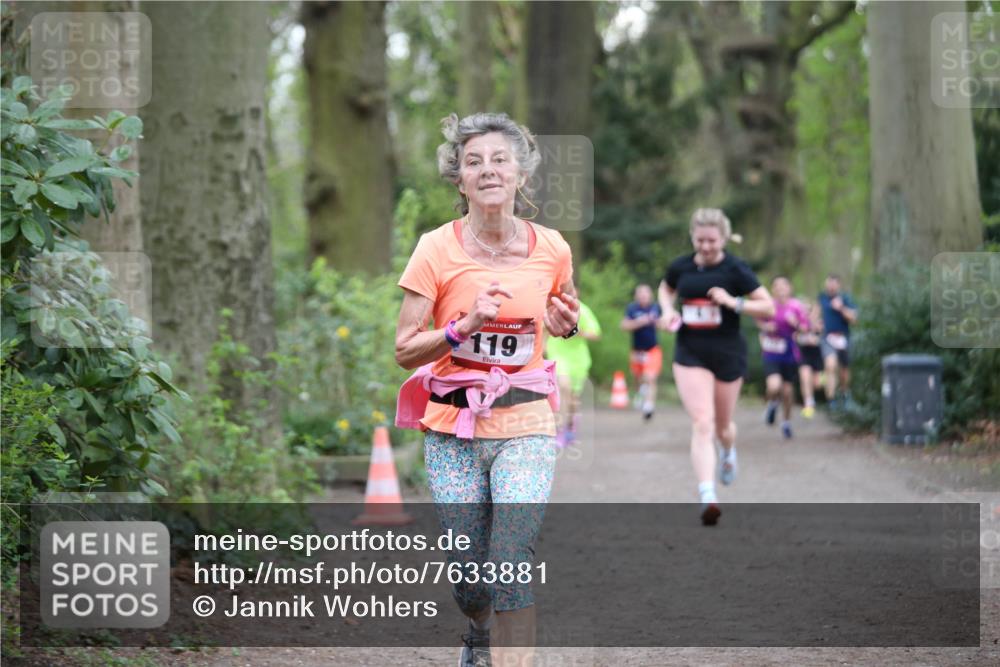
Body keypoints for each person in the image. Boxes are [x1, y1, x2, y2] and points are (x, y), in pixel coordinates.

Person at [394, 112, 579, 667]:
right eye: (473, 162)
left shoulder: (552, 248)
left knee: (510, 558)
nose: (488, 169)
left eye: (500, 159)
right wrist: (460, 329)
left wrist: (563, 321)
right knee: (470, 578)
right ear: (459, 180)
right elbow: (405, 348)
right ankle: (477, 631)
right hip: (452, 430)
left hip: (525, 423)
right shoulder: (434, 249)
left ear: (521, 174)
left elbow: (564, 315)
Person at [657, 208, 773, 526]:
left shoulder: (736, 269)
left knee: (723, 427)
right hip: (690, 352)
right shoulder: (680, 266)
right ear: (693, 237)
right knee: (703, 423)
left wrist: (734, 302)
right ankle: (708, 495)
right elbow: (665, 289)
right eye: (700, 240)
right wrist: (667, 311)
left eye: (711, 241)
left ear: (723, 238)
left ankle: (729, 451)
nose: (706, 247)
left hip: (727, 353)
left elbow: (768, 306)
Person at [756, 276, 809, 439]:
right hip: (771, 352)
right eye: (777, 287)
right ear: (772, 290)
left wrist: (796, 324)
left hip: (789, 354)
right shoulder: (768, 305)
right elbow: (759, 321)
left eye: (783, 286)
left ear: (789, 288)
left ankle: (786, 422)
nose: (780, 290)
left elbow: (806, 328)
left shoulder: (796, 307)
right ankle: (772, 403)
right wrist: (766, 326)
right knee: (773, 386)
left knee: (787, 392)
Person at [545, 299, 601, 448]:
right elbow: (543, 328)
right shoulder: (551, 308)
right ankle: (560, 431)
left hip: (578, 360)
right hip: (557, 354)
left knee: (573, 398)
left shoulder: (582, 309)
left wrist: (578, 332)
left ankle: (571, 426)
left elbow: (596, 334)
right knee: (564, 388)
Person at [620, 284, 662, 420]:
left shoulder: (656, 308)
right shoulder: (632, 309)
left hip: (652, 349)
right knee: (637, 377)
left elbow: (663, 323)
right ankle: (640, 392)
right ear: (636, 296)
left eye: (646, 293)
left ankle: (649, 406)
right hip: (637, 350)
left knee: (650, 377)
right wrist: (640, 322)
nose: (643, 296)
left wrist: (659, 322)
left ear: (650, 295)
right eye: (641, 294)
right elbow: (624, 325)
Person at [817, 273, 858, 407]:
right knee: (830, 365)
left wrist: (841, 308)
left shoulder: (845, 298)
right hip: (827, 338)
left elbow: (854, 319)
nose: (831, 286)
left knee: (844, 370)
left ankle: (845, 393)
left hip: (843, 337)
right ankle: (831, 399)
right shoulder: (821, 298)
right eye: (829, 283)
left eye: (834, 283)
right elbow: (814, 315)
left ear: (838, 285)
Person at [795, 298, 824, 418]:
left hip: (818, 357)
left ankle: (822, 398)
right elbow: (795, 337)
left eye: (809, 310)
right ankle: (808, 404)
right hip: (804, 355)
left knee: (817, 384)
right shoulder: (799, 324)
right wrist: (805, 338)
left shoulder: (821, 323)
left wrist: (817, 338)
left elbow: (825, 339)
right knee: (805, 377)